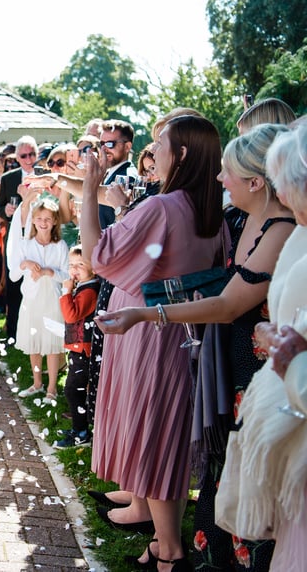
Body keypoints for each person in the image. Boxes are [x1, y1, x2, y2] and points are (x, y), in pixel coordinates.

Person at [96, 123, 295, 569]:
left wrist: (145, 314)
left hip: (256, 367)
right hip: (228, 357)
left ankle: (198, 556)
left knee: (249, 476)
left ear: (256, 182)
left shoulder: (281, 230)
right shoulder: (237, 219)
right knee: (222, 468)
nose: (220, 180)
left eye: (229, 173)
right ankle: (202, 553)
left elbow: (227, 304)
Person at [80, 114, 225, 570]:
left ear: (180, 155)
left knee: (154, 435)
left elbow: (98, 255)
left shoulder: (163, 207)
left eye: (160, 143)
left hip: (145, 331)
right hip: (184, 331)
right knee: (167, 433)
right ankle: (163, 539)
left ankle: (170, 552)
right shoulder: (211, 209)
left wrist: (90, 189)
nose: (153, 149)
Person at [215, 124, 307, 569]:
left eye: (284, 179)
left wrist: (291, 354)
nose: (280, 190)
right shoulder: (299, 231)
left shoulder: (287, 228)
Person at [8, 198, 67, 401]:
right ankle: (37, 383)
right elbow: (13, 276)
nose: (43, 223)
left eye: (48, 219)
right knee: (33, 342)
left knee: (51, 344)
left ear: (54, 221)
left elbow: (67, 276)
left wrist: (49, 272)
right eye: (40, 218)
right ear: (33, 220)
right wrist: (25, 263)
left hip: (52, 300)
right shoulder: (26, 245)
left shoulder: (60, 246)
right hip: (31, 299)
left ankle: (52, 387)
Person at [54, 244, 98, 449]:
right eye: (71, 265)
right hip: (78, 348)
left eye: (80, 264)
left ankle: (81, 433)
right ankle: (79, 428)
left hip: (84, 350)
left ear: (94, 268)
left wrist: (66, 291)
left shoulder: (89, 291)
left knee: (73, 390)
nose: (74, 269)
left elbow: (71, 315)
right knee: (75, 389)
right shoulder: (83, 287)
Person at [0, 136, 39, 340]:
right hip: (15, 236)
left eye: (32, 154)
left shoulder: (45, 176)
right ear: (17, 157)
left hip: (39, 235)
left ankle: (35, 332)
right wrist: (6, 210)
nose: (29, 159)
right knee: (13, 283)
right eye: (24, 156)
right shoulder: (9, 178)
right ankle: (13, 332)